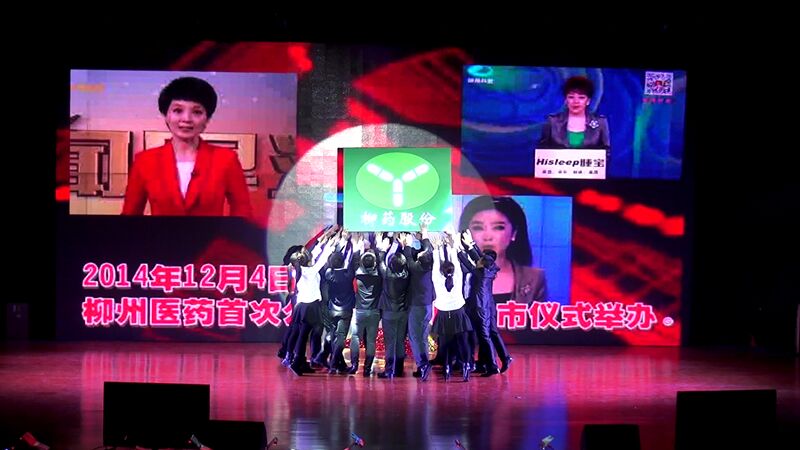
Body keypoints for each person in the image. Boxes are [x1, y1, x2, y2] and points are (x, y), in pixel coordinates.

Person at [121, 76, 252, 217]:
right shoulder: (145, 161)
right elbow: (130, 215)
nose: (186, 119)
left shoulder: (226, 159)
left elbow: (242, 210)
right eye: (178, 110)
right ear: (166, 115)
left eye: (197, 112)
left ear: (207, 118)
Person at [458, 196, 548, 304]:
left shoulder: (534, 278)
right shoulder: (454, 274)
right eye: (478, 228)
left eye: (498, 227)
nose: (488, 237)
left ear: (513, 233)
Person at [538, 75, 611, 160]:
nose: (576, 101)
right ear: (566, 100)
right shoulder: (552, 121)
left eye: (581, 97)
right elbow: (542, 152)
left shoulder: (600, 123)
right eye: (571, 97)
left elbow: (606, 153)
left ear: (588, 101)